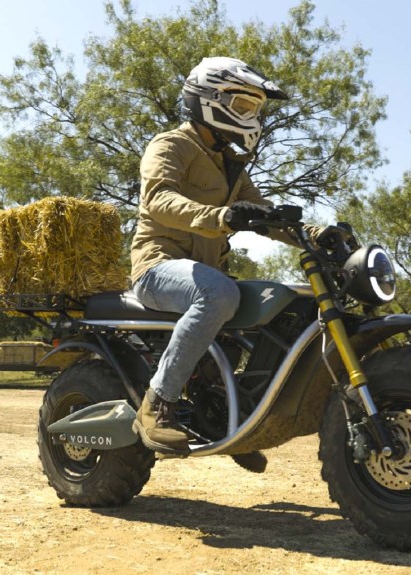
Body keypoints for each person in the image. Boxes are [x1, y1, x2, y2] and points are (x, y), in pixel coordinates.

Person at [129, 56, 336, 471]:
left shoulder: (231, 166)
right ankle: (156, 404)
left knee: (275, 303)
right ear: (209, 100)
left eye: (255, 109)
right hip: (157, 267)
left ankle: (225, 412)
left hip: (202, 275)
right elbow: (158, 199)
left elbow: (265, 215)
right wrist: (220, 216)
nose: (251, 117)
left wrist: (315, 234)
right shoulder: (171, 144)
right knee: (219, 292)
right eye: (244, 106)